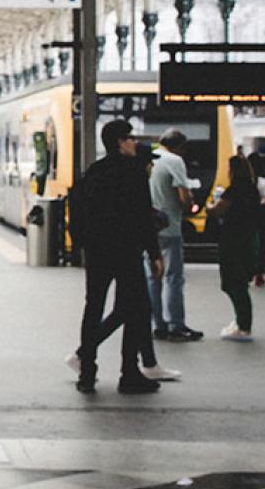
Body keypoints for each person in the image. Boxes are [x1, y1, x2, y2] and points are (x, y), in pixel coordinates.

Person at [66, 151, 181, 383]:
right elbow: (141, 217)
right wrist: (154, 253)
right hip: (126, 253)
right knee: (134, 308)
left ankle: (88, 373)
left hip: (97, 253)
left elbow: (77, 206)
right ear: (121, 142)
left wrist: (83, 244)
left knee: (95, 308)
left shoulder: (94, 171)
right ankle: (129, 371)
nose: (151, 168)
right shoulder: (132, 174)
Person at [148, 129, 203, 342]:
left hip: (149, 228)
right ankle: (176, 325)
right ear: (180, 146)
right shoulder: (175, 161)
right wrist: (190, 202)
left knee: (153, 277)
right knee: (173, 277)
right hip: (170, 227)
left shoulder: (150, 159)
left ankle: (158, 324)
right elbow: (183, 196)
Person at [209, 155, 262, 341]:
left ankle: (244, 326)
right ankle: (241, 321)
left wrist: (207, 207)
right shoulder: (252, 189)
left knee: (234, 283)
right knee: (239, 282)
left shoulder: (234, 190)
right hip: (247, 239)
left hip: (233, 240)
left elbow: (218, 210)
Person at [248, 152, 265, 287]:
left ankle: (248, 270)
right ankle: (259, 273)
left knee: (247, 243)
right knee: (260, 244)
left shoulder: (245, 180)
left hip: (246, 218)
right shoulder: (264, 182)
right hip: (259, 217)